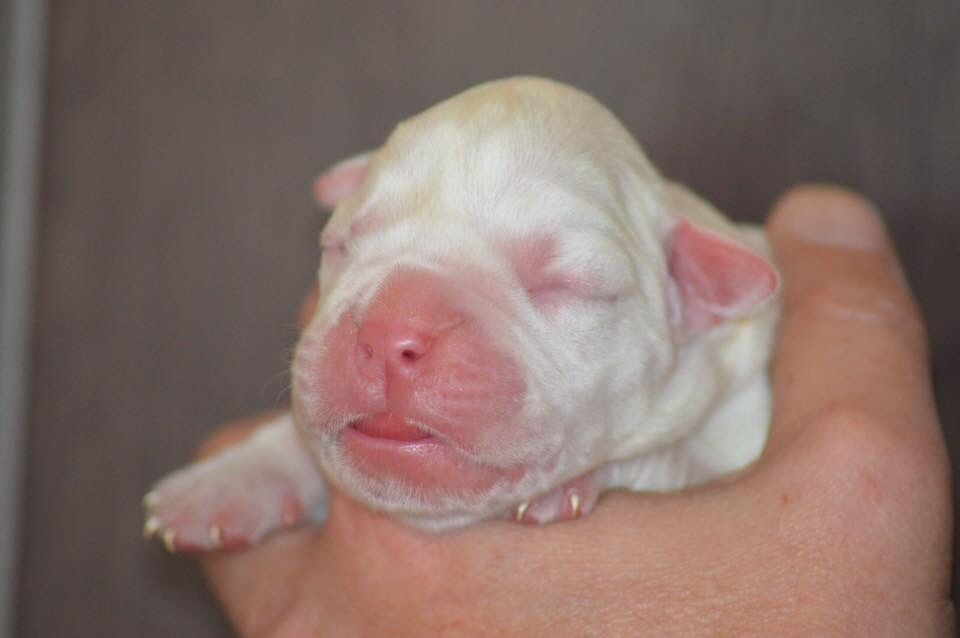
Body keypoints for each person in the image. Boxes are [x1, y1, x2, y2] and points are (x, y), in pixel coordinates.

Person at [195, 186, 954, 636]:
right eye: (347, 246)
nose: (395, 333)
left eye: (558, 284)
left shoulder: (738, 365)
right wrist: (282, 457)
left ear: (691, 294)